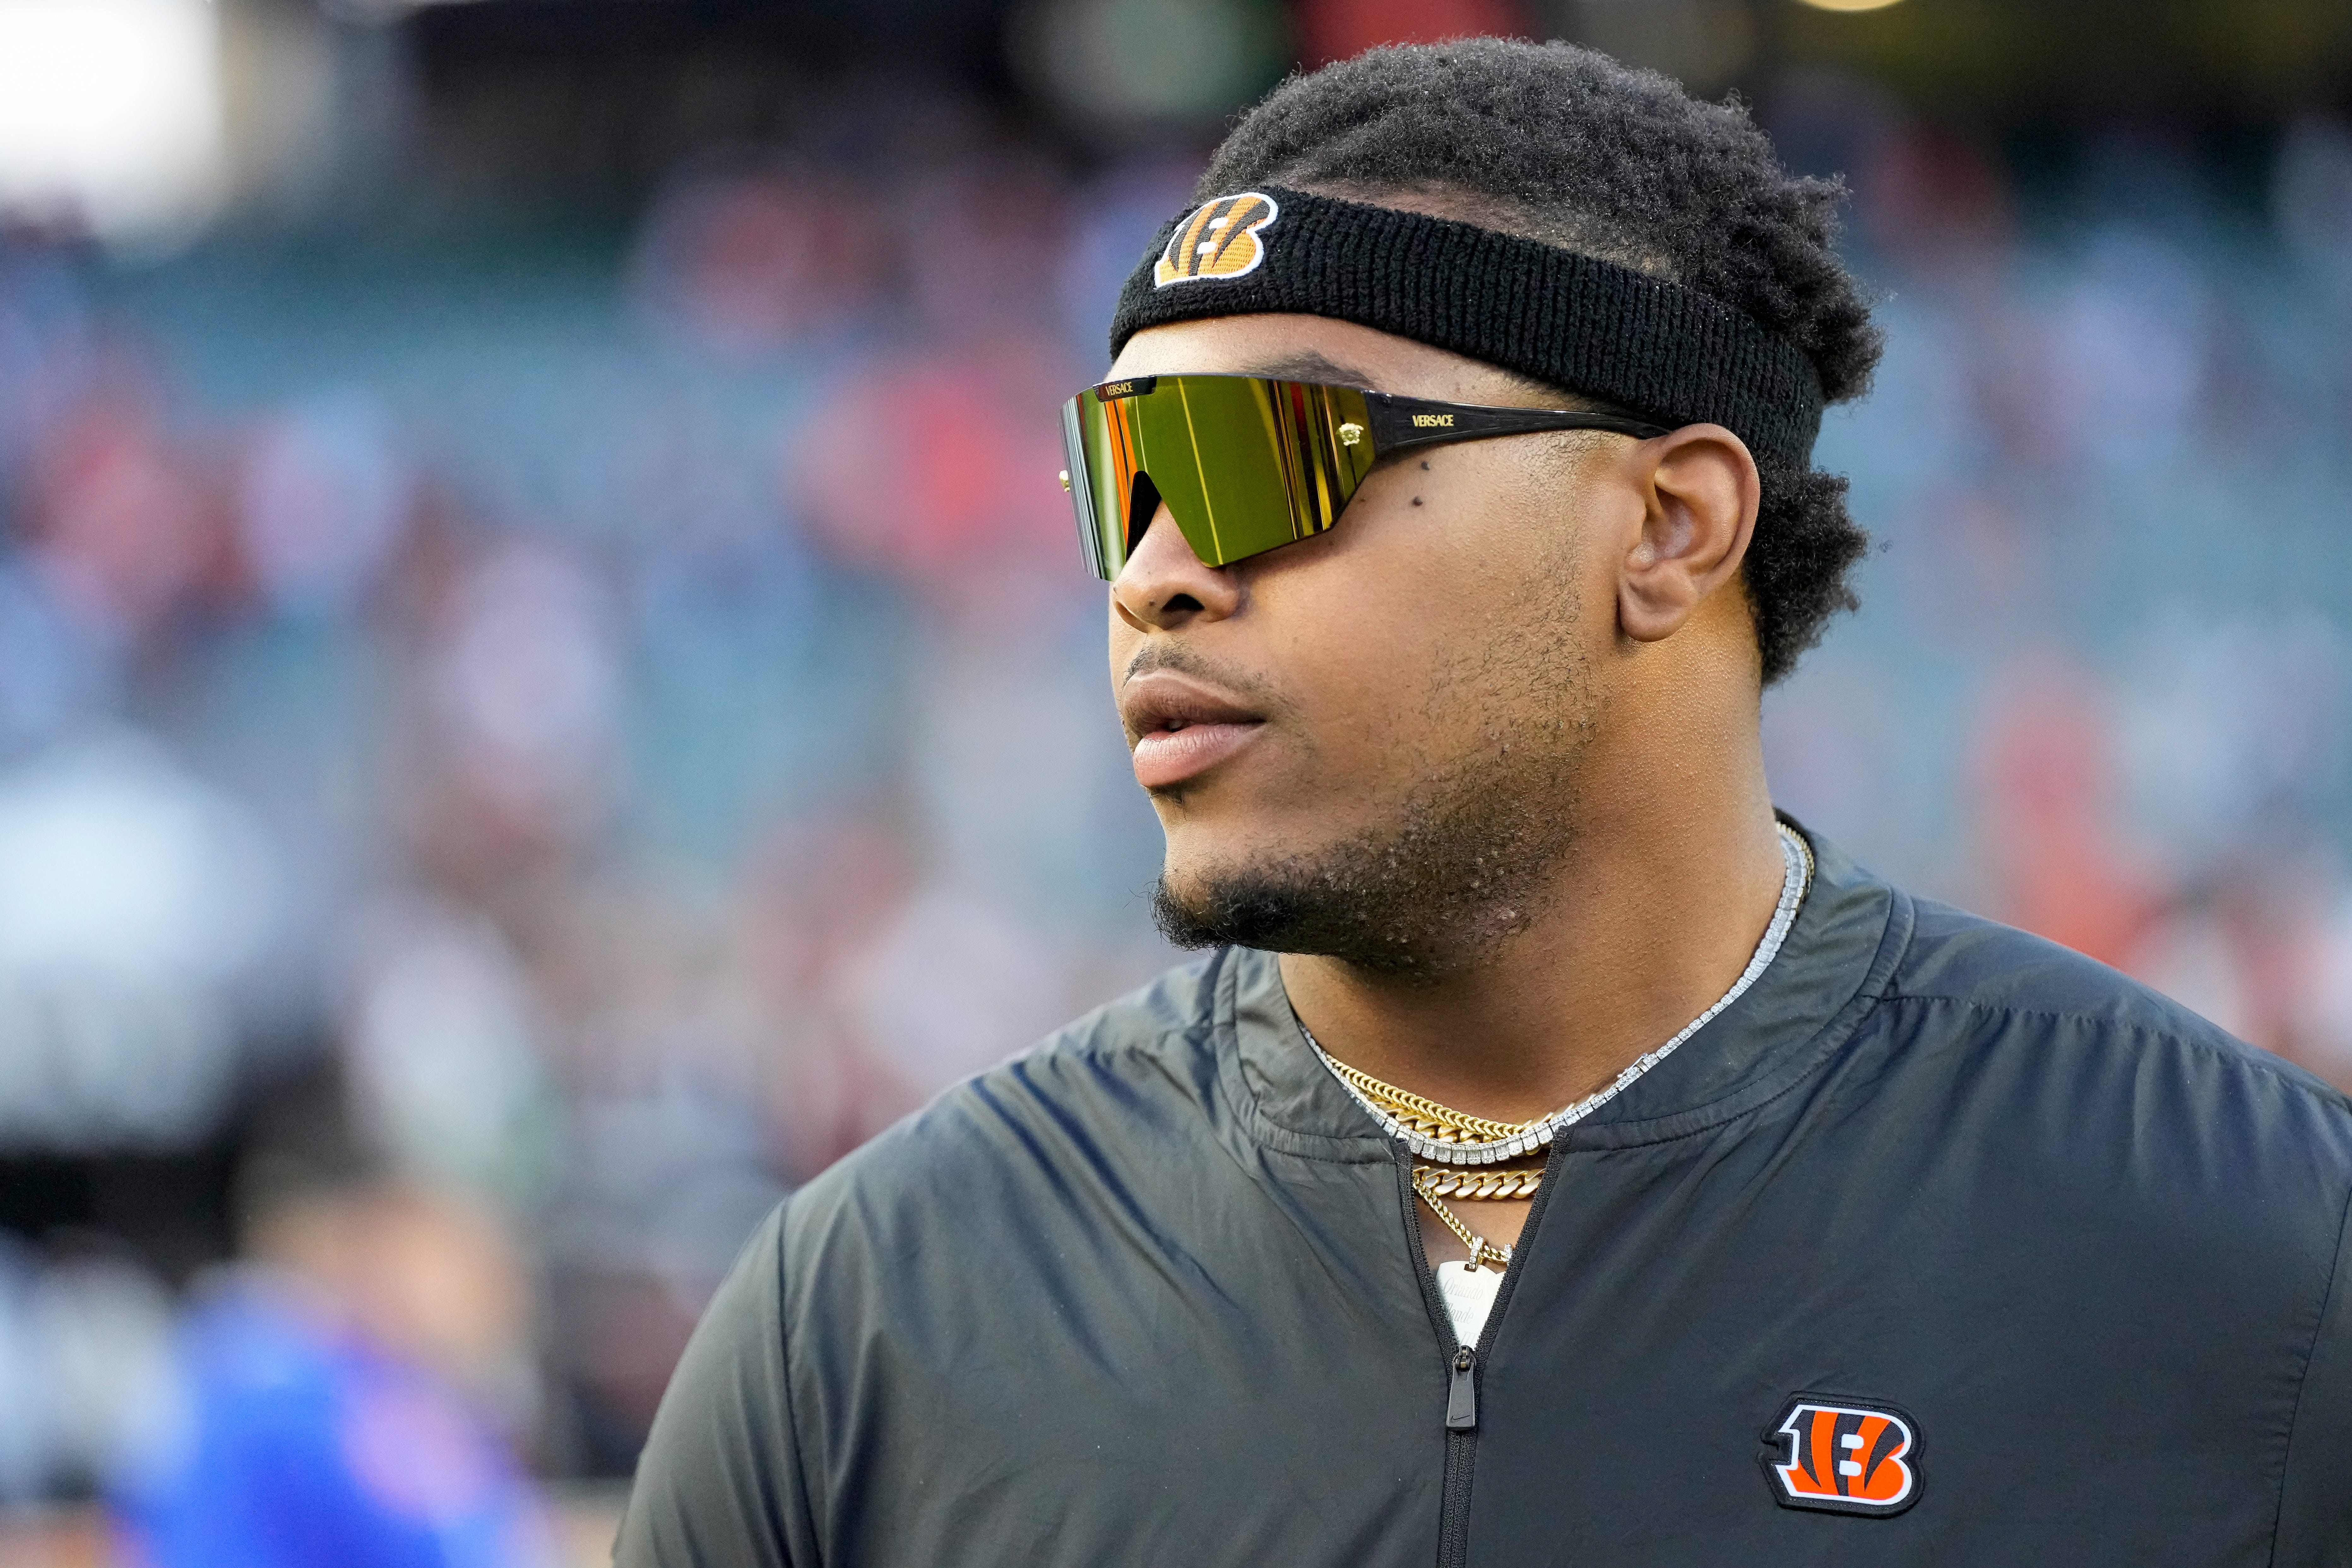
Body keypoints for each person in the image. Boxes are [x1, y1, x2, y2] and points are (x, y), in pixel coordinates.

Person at [616, 39, 2352, 1565]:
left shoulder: (2253, 1254)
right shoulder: (871, 1312)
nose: (1154, 574)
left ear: (1669, 527)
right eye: (1123, 477)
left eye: (1258, 458)